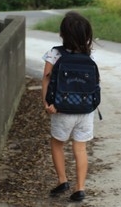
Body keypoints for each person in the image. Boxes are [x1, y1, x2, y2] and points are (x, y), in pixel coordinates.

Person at [41, 11, 96, 202]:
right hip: (86, 110)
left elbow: (47, 78)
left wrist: (47, 103)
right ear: (86, 36)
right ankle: (80, 188)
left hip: (62, 109)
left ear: (62, 34)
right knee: (80, 148)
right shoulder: (88, 56)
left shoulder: (55, 53)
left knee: (57, 144)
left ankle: (62, 180)